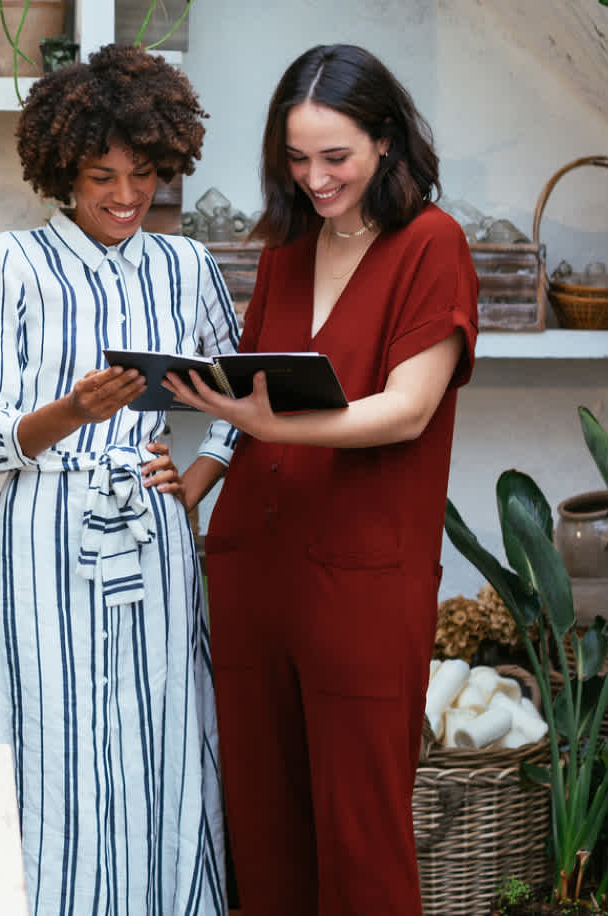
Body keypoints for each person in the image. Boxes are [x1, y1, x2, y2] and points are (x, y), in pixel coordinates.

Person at [164, 44, 479, 916]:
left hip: (362, 582)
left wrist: (271, 424)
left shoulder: (432, 245)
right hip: (254, 567)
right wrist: (207, 446)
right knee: (262, 828)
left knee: (361, 835)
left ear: (385, 139)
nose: (315, 178)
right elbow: (250, 393)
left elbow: (409, 409)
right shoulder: (286, 252)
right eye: (296, 160)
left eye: (334, 157)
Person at [0, 43, 238, 916]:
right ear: (60, 169)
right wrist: (74, 412)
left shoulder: (186, 267)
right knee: (47, 736)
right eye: (100, 175)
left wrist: (200, 474)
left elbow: (252, 395)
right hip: (45, 530)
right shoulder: (9, 261)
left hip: (153, 532)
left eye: (144, 175)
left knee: (160, 737)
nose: (124, 197)